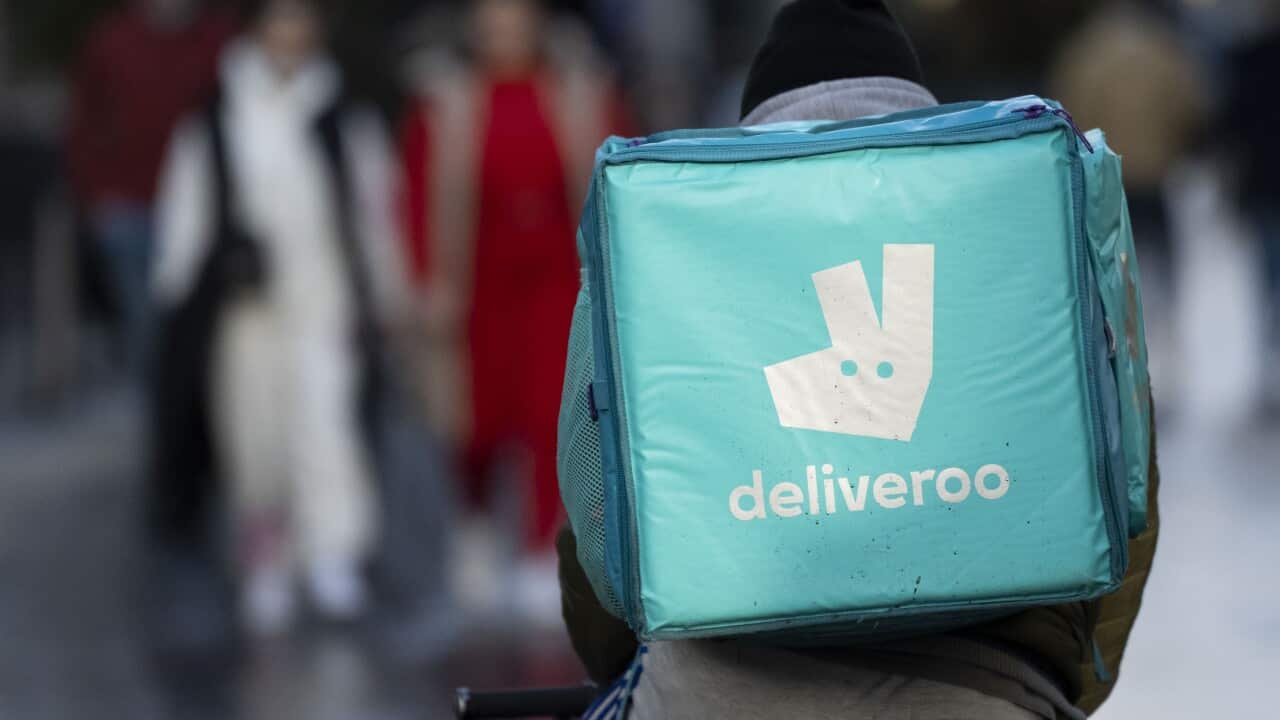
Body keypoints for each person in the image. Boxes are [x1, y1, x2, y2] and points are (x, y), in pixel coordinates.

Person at [557, 2, 1160, 718]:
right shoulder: (1018, 226)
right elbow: (1125, 503)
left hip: (710, 694)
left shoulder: (681, 257)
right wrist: (1050, 681)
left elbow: (598, 528)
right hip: (986, 693)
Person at [151, 0, 406, 636]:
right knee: (254, 439)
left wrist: (386, 291)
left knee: (328, 428)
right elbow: (189, 203)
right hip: (244, 310)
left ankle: (334, 553)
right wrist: (178, 292)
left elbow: (374, 208)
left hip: (324, 298)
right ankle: (267, 560)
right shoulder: (218, 113)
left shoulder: (343, 114)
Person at [398, 0, 629, 620]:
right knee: (472, 420)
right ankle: (472, 528)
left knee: (550, 415)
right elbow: (415, 193)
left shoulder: (581, 90)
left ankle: (536, 548)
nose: (504, 28)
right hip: (475, 284)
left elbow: (618, 179)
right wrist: (424, 279)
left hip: (555, 282)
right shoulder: (444, 101)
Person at [66, 0, 236, 374]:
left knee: (199, 328)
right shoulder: (111, 40)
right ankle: (157, 422)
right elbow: (83, 123)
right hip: (127, 208)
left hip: (200, 210)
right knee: (144, 329)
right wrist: (97, 197)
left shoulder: (219, 41)